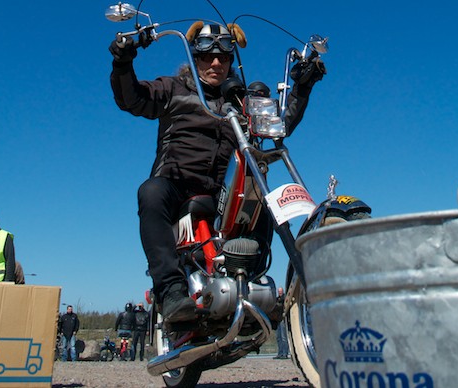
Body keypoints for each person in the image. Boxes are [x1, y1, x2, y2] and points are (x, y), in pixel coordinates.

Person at [109, 20, 325, 325]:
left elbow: (280, 125)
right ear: (195, 57)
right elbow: (132, 98)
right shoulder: (173, 88)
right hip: (177, 184)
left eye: (223, 57)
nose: (215, 63)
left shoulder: (240, 101)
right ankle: (171, 291)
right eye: (207, 57)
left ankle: (255, 283)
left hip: (224, 191)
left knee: (263, 196)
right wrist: (123, 62)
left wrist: (303, 86)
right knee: (151, 192)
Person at [274, 287, 290, 359]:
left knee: (284, 337)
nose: (279, 292)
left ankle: (285, 353)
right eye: (279, 291)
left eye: (280, 291)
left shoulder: (285, 299)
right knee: (278, 337)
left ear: (282, 291)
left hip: (283, 319)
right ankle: (280, 353)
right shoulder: (277, 299)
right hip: (277, 319)